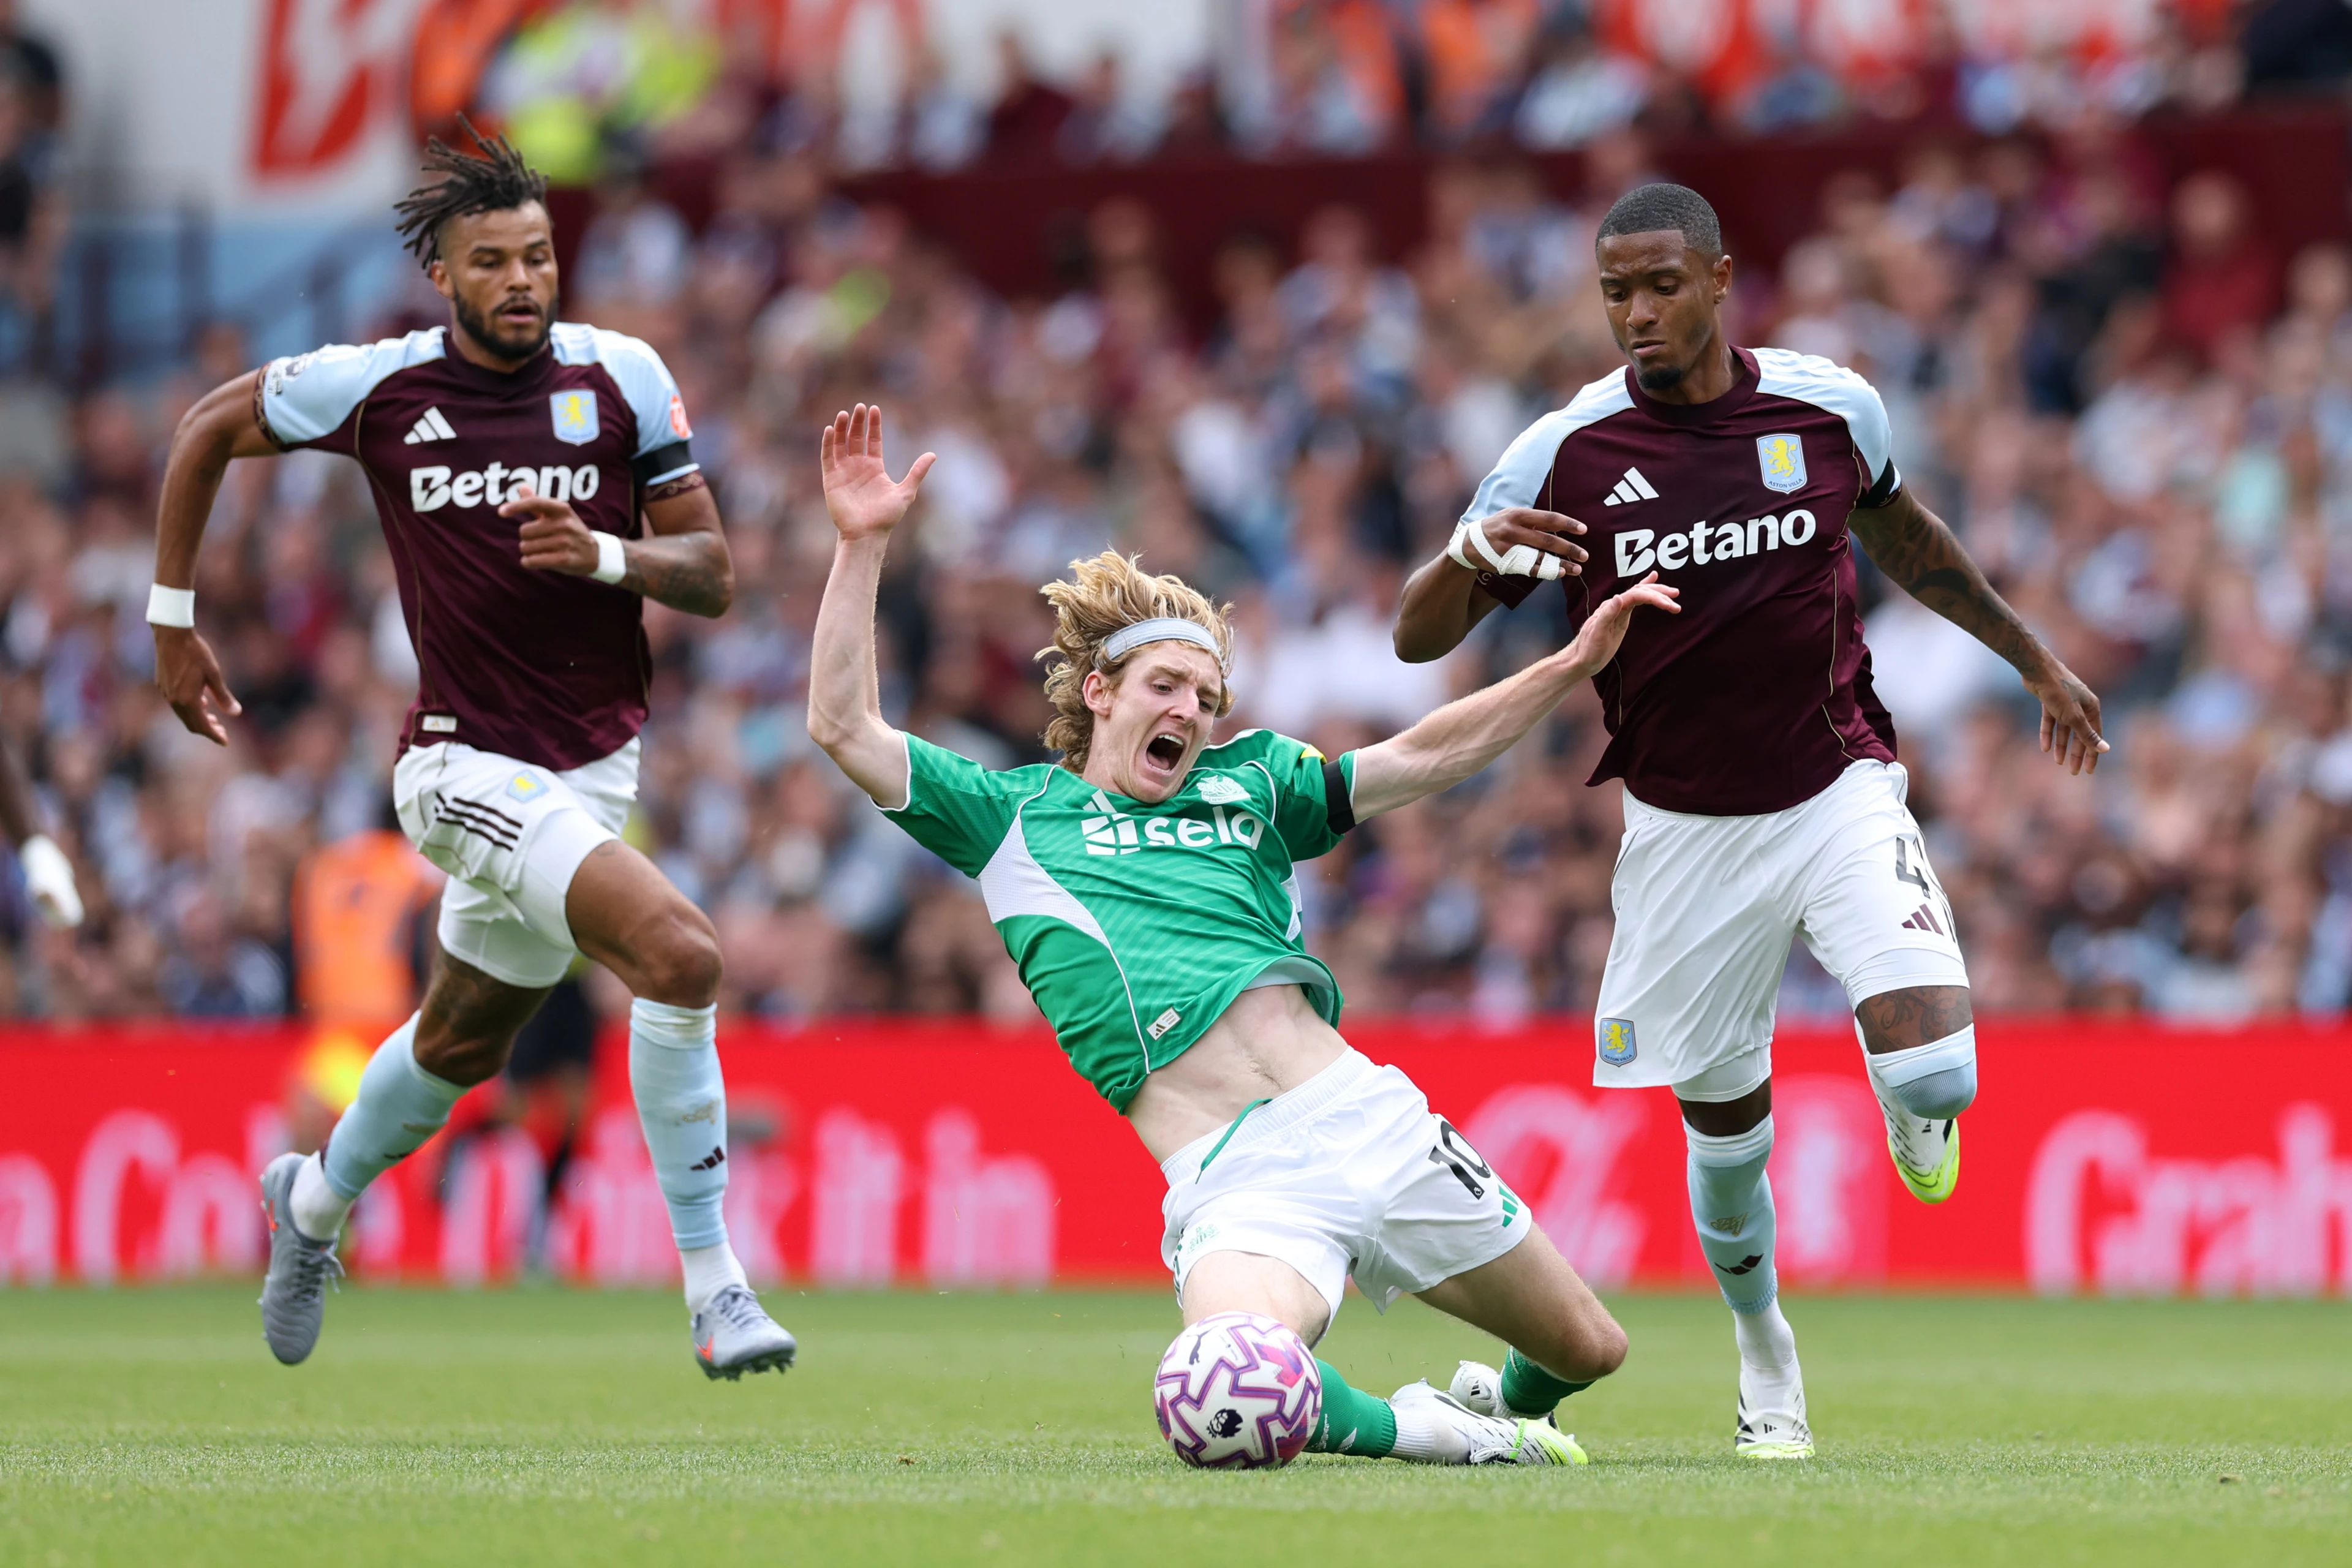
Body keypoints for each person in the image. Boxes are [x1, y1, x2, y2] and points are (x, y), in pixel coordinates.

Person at [1393, 183, 2108, 1458]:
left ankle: (1913, 1102)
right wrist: (1470, 557)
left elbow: (1908, 538)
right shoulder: (1564, 452)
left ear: (1721, 281)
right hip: (1683, 834)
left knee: (1940, 1072)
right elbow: (1416, 636)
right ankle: (1764, 1348)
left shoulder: (1830, 408)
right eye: (1616, 292)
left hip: (1835, 785)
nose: (1638, 313)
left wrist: (2035, 659)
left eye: (1662, 286)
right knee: (1728, 1142)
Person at [808, 403, 1658, 1466]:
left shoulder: (1251, 780)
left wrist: (1569, 664)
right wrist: (862, 543)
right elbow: (843, 725)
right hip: (1238, 1176)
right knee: (1218, 1388)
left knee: (1590, 1346)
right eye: (1166, 686)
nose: (1191, 710)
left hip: (1366, 1115)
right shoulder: (1012, 818)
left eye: (1207, 696)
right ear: (1100, 691)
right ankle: (1437, 1436)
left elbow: (1421, 756)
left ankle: (1509, 1404)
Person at [148, 123, 795, 1380]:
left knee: (458, 1046)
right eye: (492, 260)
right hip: (456, 766)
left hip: (593, 770)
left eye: (537, 256)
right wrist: (173, 625)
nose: (521, 279)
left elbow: (714, 572)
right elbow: (205, 427)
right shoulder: (380, 384)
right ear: (442, 274)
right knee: (681, 954)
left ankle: (312, 1202)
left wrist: (602, 554)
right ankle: (716, 1285)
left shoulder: (620, 375)